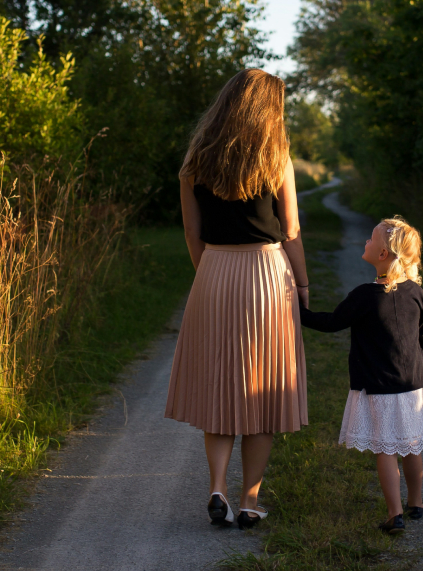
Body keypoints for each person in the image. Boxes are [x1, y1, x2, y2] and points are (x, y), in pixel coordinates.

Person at [164, 69, 310, 530]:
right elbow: (290, 231)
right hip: (266, 274)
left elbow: (191, 231)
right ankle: (249, 500)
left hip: (214, 271)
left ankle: (217, 488)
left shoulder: (195, 160)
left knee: (221, 387)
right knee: (261, 389)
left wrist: (208, 273)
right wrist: (303, 286)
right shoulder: (276, 157)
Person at [299, 216, 423, 535]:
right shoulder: (415, 291)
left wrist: (296, 311)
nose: (365, 242)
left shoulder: (364, 296)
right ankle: (416, 503)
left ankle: (394, 514)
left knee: (386, 449)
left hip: (378, 385)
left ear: (383, 254)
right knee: (412, 445)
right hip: (413, 384)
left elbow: (331, 322)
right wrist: (421, 376)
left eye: (370, 239)